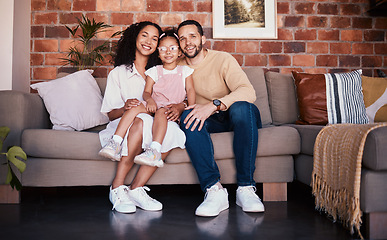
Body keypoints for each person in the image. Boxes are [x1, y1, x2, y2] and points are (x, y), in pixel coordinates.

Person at [177, 20, 265, 217]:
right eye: (182, 38)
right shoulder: (178, 66)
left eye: (192, 36)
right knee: (188, 116)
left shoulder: (223, 59)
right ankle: (214, 190)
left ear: (203, 39)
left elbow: (247, 91)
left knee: (243, 107)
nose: (188, 42)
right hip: (208, 121)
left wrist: (213, 105)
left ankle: (246, 188)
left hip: (237, 116)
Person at [99, 22, 186, 214]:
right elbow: (110, 113)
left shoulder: (162, 70)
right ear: (135, 38)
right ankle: (117, 187)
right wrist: (125, 108)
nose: (149, 41)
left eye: (155, 38)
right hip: (125, 125)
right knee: (140, 121)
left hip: (156, 122)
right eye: (144, 35)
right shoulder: (119, 73)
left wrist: (180, 106)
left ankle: (136, 189)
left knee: (171, 129)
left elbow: (181, 95)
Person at [99, 29, 195, 168]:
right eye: (163, 49)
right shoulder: (154, 71)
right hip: (154, 104)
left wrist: (190, 108)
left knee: (162, 112)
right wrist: (149, 100)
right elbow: (146, 92)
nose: (168, 52)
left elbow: (190, 90)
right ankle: (115, 142)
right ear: (159, 53)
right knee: (134, 107)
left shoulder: (185, 71)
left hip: (168, 108)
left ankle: (154, 150)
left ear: (180, 52)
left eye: (173, 48)